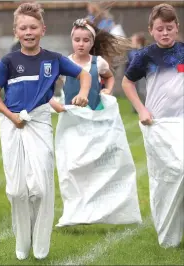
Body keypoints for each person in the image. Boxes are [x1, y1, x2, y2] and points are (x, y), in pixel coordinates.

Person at [0, 2, 91, 261]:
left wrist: (83, 94)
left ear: (42, 29)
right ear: (16, 31)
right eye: (23, 28)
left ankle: (40, 245)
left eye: (33, 27)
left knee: (41, 188)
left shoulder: (53, 59)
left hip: (40, 121)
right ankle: (22, 242)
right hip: (12, 122)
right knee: (17, 191)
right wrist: (10, 116)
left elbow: (84, 76)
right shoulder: (9, 61)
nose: (28, 32)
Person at [51, 18, 142, 228]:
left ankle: (101, 206)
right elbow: (48, 85)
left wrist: (107, 90)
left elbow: (109, 77)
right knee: (72, 165)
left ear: (92, 43)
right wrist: (53, 101)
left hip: (94, 118)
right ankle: (75, 210)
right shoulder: (64, 63)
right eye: (77, 40)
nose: (81, 44)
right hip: (72, 120)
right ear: (71, 40)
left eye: (85, 40)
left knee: (95, 164)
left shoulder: (98, 62)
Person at [122, 3, 184, 248]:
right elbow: (127, 83)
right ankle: (169, 238)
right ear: (151, 30)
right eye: (160, 29)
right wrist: (142, 109)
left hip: (181, 122)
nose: (165, 33)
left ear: (177, 28)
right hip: (156, 124)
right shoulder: (144, 56)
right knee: (167, 176)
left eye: (169, 28)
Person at [126, 32, 147, 112]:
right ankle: (135, 109)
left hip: (142, 75)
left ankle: (146, 107)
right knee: (134, 91)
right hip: (133, 76)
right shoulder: (132, 52)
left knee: (142, 91)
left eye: (133, 40)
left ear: (138, 42)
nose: (131, 42)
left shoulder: (143, 51)